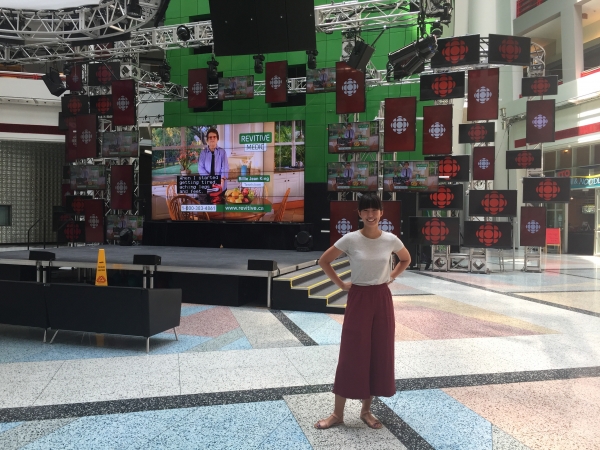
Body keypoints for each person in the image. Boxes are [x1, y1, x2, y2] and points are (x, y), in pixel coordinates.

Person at [314, 193, 411, 430]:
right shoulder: (350, 239)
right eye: (365, 210)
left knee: (378, 352)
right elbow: (324, 261)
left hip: (381, 298)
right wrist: (341, 284)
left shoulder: (390, 239)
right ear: (359, 214)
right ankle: (337, 414)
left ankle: (366, 411)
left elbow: (405, 259)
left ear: (381, 213)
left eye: (374, 210)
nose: (370, 215)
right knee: (351, 352)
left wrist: (391, 276)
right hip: (358, 298)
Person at [198, 128, 229, 192]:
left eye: (214, 137)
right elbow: (200, 168)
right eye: (210, 137)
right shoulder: (203, 153)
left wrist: (222, 179)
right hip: (207, 185)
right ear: (207, 140)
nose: (212, 139)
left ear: (217, 139)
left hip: (220, 185)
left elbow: (225, 167)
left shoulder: (222, 152)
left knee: (221, 201)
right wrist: (210, 180)